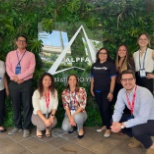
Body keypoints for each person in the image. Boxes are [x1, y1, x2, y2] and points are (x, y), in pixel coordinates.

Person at [111, 70, 154, 154]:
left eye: (130, 79)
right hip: (138, 118)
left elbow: (143, 118)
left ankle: (151, 146)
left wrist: (122, 125)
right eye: (124, 80)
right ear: (121, 81)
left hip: (151, 120)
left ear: (135, 80)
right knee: (113, 121)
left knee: (137, 130)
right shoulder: (121, 92)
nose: (127, 82)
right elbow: (118, 109)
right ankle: (138, 138)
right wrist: (116, 123)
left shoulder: (144, 92)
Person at [6, 35, 36, 138]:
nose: (21, 42)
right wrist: (14, 78)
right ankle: (17, 126)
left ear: (26, 44)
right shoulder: (10, 54)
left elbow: (31, 69)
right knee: (16, 105)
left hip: (26, 83)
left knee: (27, 105)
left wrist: (20, 77)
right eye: (19, 41)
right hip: (14, 84)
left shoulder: (31, 55)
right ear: (16, 42)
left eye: (23, 41)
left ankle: (26, 128)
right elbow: (8, 68)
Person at [90, 47, 116, 137]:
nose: (103, 55)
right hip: (97, 91)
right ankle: (105, 125)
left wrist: (111, 92)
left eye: (105, 53)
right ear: (98, 54)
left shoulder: (110, 65)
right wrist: (91, 88)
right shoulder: (94, 65)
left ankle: (109, 128)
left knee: (106, 109)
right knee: (101, 109)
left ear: (107, 55)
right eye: (101, 53)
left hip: (106, 91)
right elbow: (92, 78)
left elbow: (113, 79)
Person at [31, 72, 58, 138]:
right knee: (42, 126)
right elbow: (36, 109)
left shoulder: (54, 91)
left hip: (48, 114)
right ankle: (39, 129)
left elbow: (55, 106)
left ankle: (47, 128)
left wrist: (51, 117)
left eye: (49, 80)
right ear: (41, 81)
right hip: (38, 114)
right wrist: (45, 120)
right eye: (45, 79)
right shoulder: (36, 92)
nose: (47, 81)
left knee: (54, 122)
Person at [61, 74, 87, 139]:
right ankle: (72, 127)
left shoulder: (82, 90)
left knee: (77, 116)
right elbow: (66, 106)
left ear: (76, 81)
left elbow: (82, 105)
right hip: (69, 114)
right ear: (68, 81)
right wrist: (70, 117)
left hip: (80, 113)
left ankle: (80, 129)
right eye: (70, 79)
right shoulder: (64, 92)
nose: (72, 81)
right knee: (65, 127)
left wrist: (73, 116)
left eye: (74, 79)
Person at [114, 44, 135, 114]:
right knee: (120, 106)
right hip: (117, 86)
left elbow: (132, 75)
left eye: (124, 50)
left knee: (127, 106)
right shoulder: (116, 61)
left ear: (127, 52)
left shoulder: (130, 61)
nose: (121, 51)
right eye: (120, 50)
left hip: (126, 87)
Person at [0, 60, 9, 132]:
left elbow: (4, 77)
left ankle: (0, 125)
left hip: (1, 89)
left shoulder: (2, 63)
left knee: (1, 108)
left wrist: (6, 88)